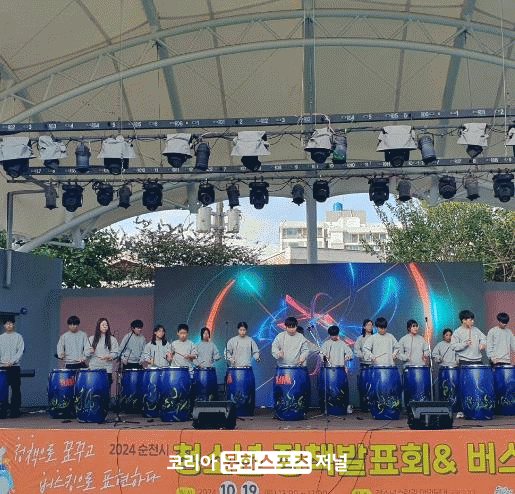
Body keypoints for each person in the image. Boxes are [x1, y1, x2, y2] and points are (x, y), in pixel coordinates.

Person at [0, 316, 24, 418]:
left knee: (15, 388)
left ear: (14, 324)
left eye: (11, 323)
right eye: (7, 323)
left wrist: (12, 362)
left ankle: (15, 410)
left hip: (14, 366)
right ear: (4, 325)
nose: (9, 325)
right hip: (2, 367)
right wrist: (3, 362)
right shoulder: (1, 338)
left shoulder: (18, 337)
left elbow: (20, 351)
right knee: (2, 389)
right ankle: (2, 411)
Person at [86, 318, 119, 387]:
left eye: (106, 325)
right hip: (93, 370)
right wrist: (90, 351)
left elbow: (116, 353)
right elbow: (86, 354)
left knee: (105, 391)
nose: (105, 327)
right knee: (94, 391)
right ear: (98, 326)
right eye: (103, 325)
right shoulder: (91, 339)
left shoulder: (112, 339)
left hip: (107, 370)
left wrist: (109, 356)